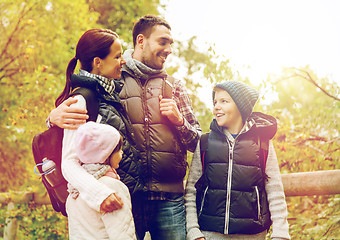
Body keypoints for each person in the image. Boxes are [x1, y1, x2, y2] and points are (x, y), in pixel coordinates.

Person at [48, 15, 201, 240]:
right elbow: (79, 121)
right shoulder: (112, 82)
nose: (169, 49)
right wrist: (52, 118)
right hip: (125, 195)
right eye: (163, 42)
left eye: (171, 43)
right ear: (141, 40)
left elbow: (197, 143)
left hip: (170, 200)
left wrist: (180, 122)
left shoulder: (175, 86)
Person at [57, 28, 144, 226]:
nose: (123, 61)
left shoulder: (108, 94)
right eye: (117, 56)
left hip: (120, 205)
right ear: (98, 62)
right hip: (101, 211)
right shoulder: (82, 100)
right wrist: (101, 195)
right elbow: (68, 163)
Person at [185, 81, 290, 240]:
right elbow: (191, 190)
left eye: (224, 101)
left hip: (253, 235)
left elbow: (275, 190)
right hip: (210, 234)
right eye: (215, 102)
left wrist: (281, 233)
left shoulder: (263, 144)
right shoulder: (205, 143)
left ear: (240, 107)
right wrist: (193, 231)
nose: (216, 107)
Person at [67, 121, 136, 240]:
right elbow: (123, 233)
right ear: (105, 155)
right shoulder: (111, 188)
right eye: (118, 150)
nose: (122, 153)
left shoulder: (74, 191)